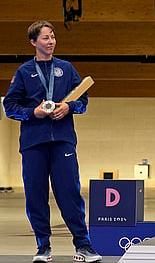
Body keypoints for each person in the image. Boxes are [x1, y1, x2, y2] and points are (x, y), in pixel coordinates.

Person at [3, 21, 102, 263]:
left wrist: (69, 107)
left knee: (69, 193)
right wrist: (32, 113)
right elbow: (10, 107)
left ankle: (83, 246)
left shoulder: (66, 69)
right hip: (33, 144)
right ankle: (43, 247)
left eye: (53, 37)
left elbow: (83, 101)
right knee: (36, 195)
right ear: (33, 42)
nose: (51, 42)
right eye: (45, 38)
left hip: (63, 141)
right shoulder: (24, 72)